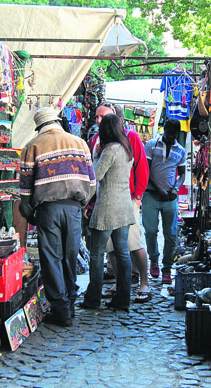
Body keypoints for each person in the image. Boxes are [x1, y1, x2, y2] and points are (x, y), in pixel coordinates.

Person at [18, 107, 96, 327]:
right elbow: (91, 182)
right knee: (69, 256)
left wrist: (29, 212)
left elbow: (25, 190)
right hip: (73, 208)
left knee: (51, 258)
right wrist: (81, 204)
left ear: (40, 126)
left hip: (48, 209)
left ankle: (60, 309)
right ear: (57, 121)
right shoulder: (80, 143)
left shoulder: (32, 146)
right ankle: (70, 301)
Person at [88, 105, 152, 302]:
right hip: (122, 204)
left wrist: (139, 195)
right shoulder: (121, 146)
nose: (99, 121)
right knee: (117, 250)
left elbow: (96, 175)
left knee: (110, 250)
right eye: (97, 117)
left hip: (112, 205)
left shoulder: (118, 145)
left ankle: (142, 283)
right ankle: (122, 292)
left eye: (103, 118)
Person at [79, 113, 136, 312]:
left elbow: (95, 176)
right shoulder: (127, 149)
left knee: (96, 254)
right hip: (124, 207)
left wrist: (84, 202)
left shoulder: (110, 150)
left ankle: (93, 299)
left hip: (107, 208)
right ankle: (123, 298)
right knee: (123, 254)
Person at [143, 119, 186, 284]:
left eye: (174, 134)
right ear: (164, 131)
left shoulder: (180, 151)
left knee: (171, 234)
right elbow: (146, 169)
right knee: (151, 231)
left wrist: (175, 189)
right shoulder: (152, 145)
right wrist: (158, 188)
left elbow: (181, 174)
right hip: (151, 194)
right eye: (168, 133)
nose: (171, 136)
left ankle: (167, 268)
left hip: (170, 197)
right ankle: (153, 260)